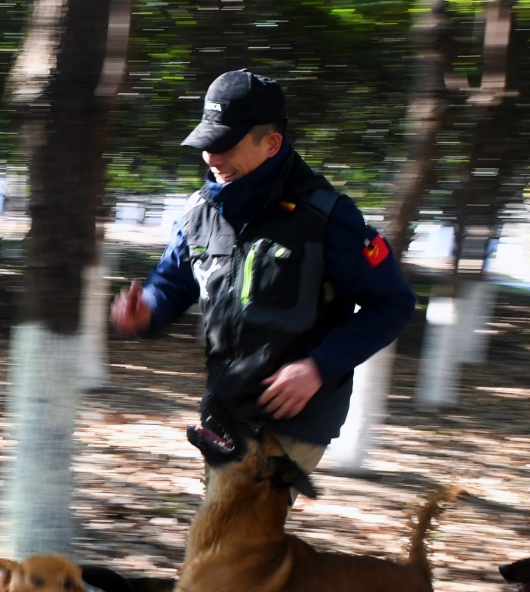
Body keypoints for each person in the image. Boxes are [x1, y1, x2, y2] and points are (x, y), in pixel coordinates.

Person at [111, 69, 416, 478]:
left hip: (294, 417)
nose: (212, 158)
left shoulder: (326, 215)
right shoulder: (198, 212)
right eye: (206, 145)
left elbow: (392, 304)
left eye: (225, 146)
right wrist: (147, 309)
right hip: (226, 409)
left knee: (235, 537)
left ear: (271, 143)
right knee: (221, 538)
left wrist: (318, 367)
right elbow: (174, 282)